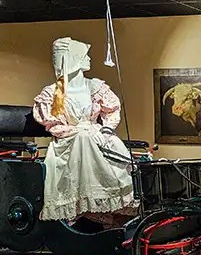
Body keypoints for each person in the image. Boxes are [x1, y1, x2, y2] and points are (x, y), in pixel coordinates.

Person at [33, 37, 137, 223]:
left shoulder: (94, 87)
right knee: (84, 139)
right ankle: (87, 206)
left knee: (110, 142)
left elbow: (112, 110)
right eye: (84, 55)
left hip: (94, 134)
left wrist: (105, 129)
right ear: (73, 59)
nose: (89, 59)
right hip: (70, 140)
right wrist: (77, 131)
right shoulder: (52, 93)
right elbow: (53, 124)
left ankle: (115, 202)